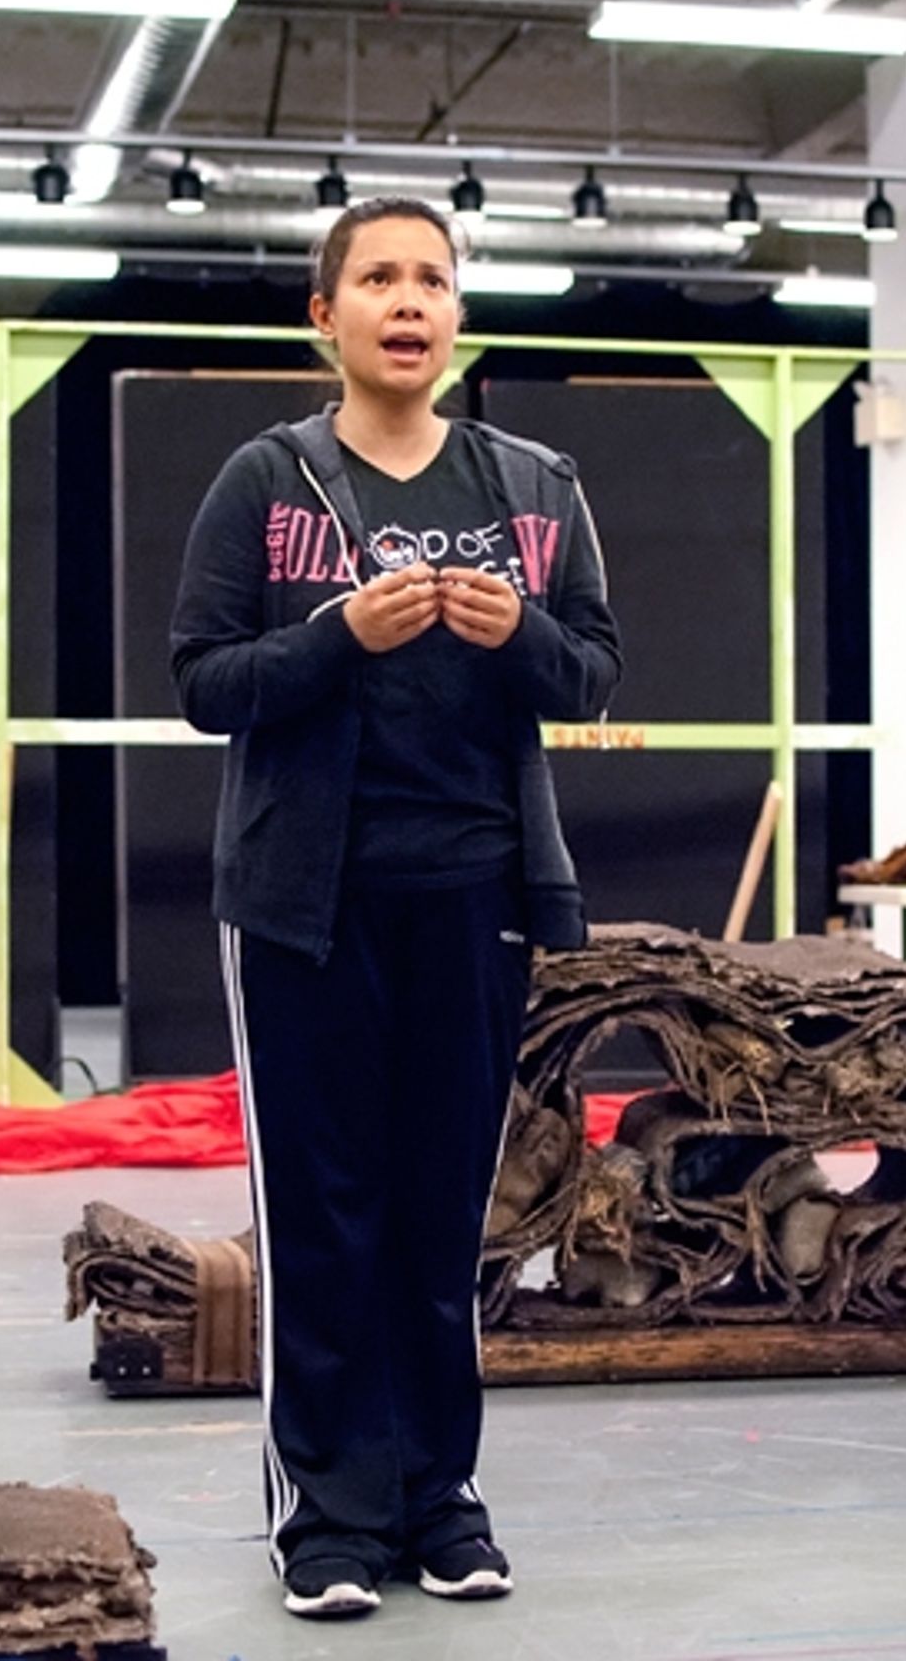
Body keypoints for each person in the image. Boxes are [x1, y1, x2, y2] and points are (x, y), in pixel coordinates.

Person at [170, 196, 622, 1620]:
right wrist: (336, 636)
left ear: (457, 314)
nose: (408, 300)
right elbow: (204, 683)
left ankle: (441, 1500)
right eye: (377, 278)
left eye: (432, 277)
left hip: (476, 897)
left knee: (439, 1219)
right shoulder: (267, 481)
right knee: (324, 1218)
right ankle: (327, 1515)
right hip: (304, 908)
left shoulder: (534, 486)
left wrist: (519, 631)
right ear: (328, 317)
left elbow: (592, 672)